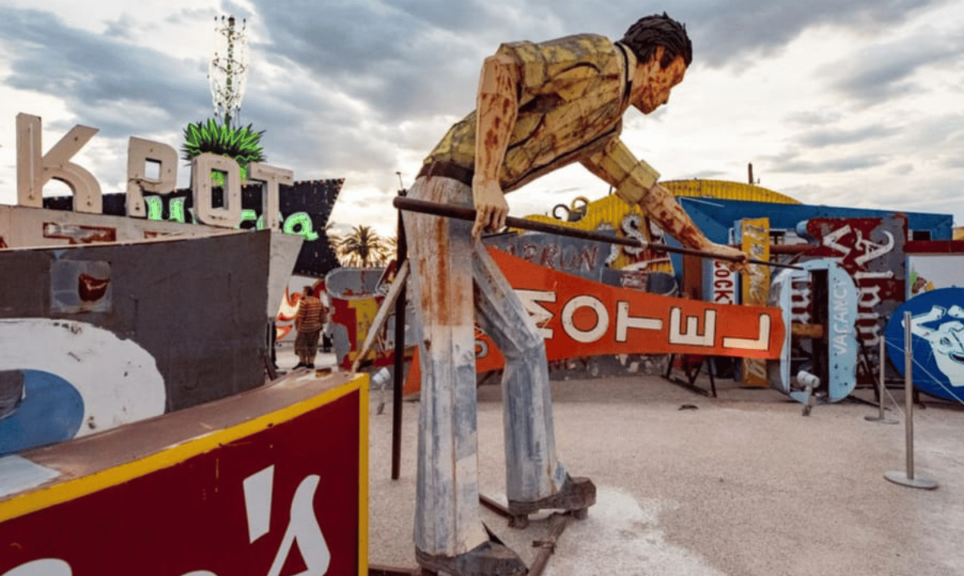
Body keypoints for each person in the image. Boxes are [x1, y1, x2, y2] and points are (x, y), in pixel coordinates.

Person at [404, 13, 748, 576]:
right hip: (446, 196)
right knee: (451, 361)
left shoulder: (602, 123)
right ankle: (446, 539)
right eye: (674, 79)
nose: (667, 97)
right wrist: (488, 177)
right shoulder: (599, 60)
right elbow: (503, 66)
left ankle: (537, 482)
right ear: (656, 58)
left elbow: (643, 188)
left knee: (525, 341)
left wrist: (703, 244)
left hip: (465, 207)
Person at [292, 286, 326, 369]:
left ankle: (302, 362)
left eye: (303, 291)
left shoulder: (304, 302)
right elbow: (323, 313)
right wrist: (320, 324)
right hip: (315, 328)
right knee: (313, 345)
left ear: (306, 292)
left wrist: (298, 327)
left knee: (300, 345)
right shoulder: (318, 301)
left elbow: (301, 317)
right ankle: (311, 363)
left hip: (305, 328)